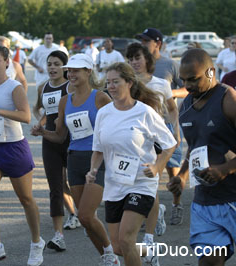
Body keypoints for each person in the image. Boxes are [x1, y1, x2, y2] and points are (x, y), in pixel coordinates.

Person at [31, 54, 120, 265]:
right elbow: (60, 136)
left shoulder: (100, 98)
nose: (71, 74)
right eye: (69, 70)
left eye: (76, 70)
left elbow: (116, 127)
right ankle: (108, 258)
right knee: (83, 218)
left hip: (96, 161)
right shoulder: (64, 101)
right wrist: (43, 132)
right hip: (74, 160)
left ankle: (110, 251)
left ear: (88, 71)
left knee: (88, 215)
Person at [90, 62, 176, 266]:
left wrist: (157, 167)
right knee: (119, 246)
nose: (110, 86)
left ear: (129, 83)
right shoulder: (103, 113)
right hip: (114, 185)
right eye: (108, 82)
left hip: (140, 183)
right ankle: (150, 250)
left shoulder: (144, 112)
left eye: (115, 82)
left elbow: (170, 144)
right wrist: (93, 170)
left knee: (127, 239)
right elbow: (98, 149)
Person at [0, 45, 44, 266]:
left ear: (6, 62)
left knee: (26, 199)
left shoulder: (14, 87)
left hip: (14, 147)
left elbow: (25, 116)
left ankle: (36, 243)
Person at [167, 48, 236, 266]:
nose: (187, 86)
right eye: (184, 80)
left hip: (234, 197)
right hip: (206, 202)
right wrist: (183, 176)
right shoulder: (187, 103)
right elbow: (197, 146)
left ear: (210, 72)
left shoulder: (229, 99)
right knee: (208, 262)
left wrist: (225, 169)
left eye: (193, 79)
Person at [126, 43, 181, 243]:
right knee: (134, 181)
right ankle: (150, 212)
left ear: (147, 60)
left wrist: (176, 131)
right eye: (130, 59)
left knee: (151, 184)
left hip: (156, 140)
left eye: (137, 58)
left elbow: (172, 109)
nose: (134, 63)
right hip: (134, 140)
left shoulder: (161, 84)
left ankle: (152, 222)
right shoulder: (126, 84)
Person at [137, 27, 186, 225]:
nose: (142, 45)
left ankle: (177, 204)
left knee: (173, 169)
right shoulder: (137, 66)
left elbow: (187, 88)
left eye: (146, 41)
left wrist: (170, 93)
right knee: (148, 169)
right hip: (144, 126)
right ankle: (152, 213)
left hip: (166, 122)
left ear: (157, 43)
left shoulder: (170, 64)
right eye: (141, 41)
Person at [32, 50, 80, 252]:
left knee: (77, 184)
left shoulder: (71, 86)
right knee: (55, 187)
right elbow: (38, 109)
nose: (52, 67)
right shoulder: (43, 87)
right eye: (49, 63)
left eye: (56, 64)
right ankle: (58, 235)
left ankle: (82, 216)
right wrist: (40, 123)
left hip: (72, 139)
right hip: (50, 140)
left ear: (65, 67)